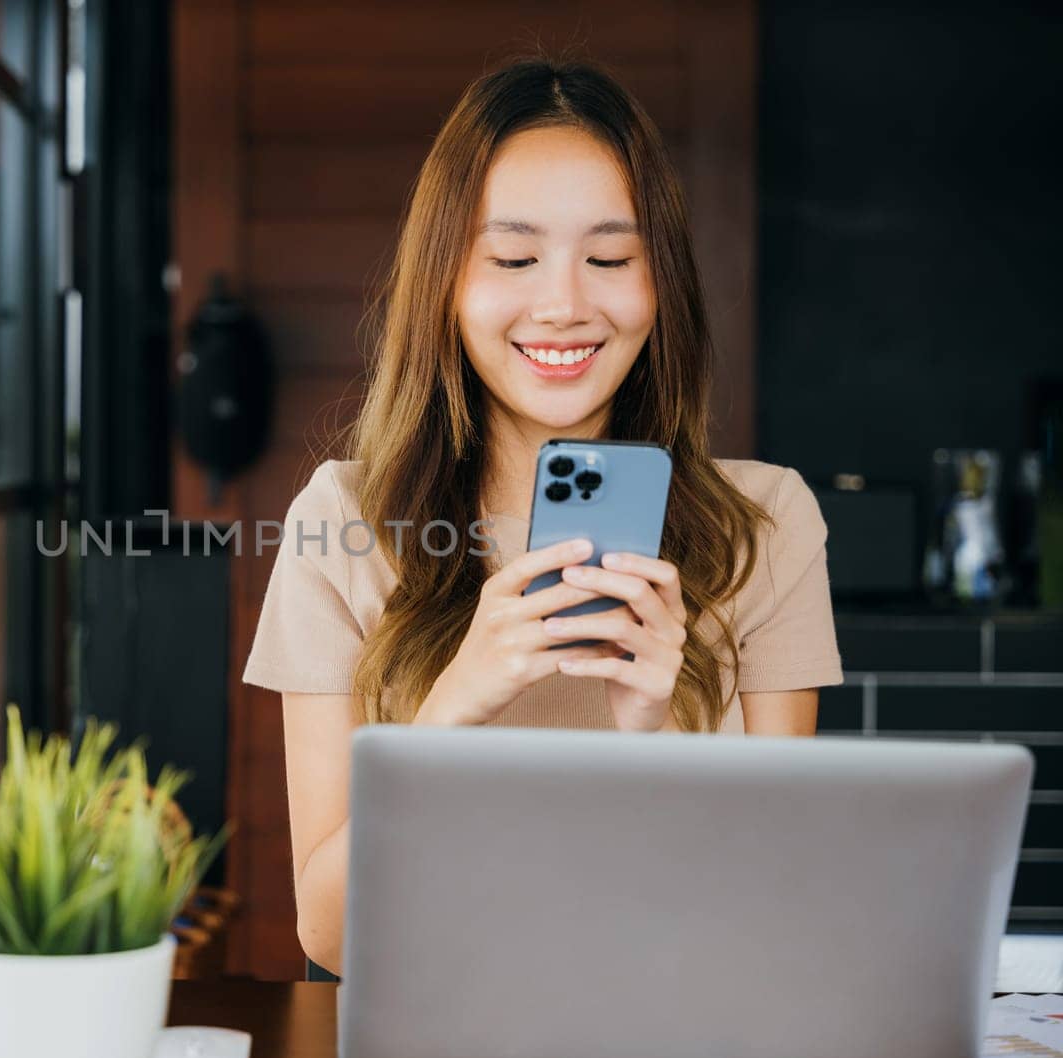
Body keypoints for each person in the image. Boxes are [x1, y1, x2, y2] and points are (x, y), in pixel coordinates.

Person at [240, 58, 845, 977]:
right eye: (513, 259)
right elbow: (327, 933)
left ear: (661, 285)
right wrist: (454, 708)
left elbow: (778, 912)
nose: (563, 305)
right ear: (445, 281)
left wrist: (650, 732)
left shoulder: (769, 523)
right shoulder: (344, 523)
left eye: (610, 259)